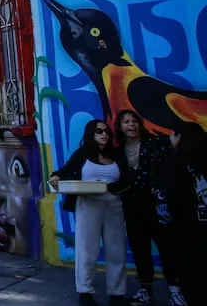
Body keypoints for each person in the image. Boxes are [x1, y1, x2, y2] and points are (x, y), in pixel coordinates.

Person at [50, 120, 129, 306]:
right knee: (87, 250)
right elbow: (65, 170)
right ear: (91, 134)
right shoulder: (83, 154)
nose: (104, 134)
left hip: (113, 204)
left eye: (106, 131)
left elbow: (126, 179)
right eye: (99, 131)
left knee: (116, 250)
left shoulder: (116, 154)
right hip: (88, 203)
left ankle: (117, 294)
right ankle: (85, 292)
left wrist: (111, 187)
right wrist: (55, 176)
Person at [113, 110, 180, 305]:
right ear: (120, 127)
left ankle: (175, 291)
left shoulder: (154, 143)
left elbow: (171, 156)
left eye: (134, 121)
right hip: (132, 207)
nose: (131, 125)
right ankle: (146, 290)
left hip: (156, 206)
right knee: (140, 249)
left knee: (166, 248)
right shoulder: (118, 151)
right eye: (126, 122)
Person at [157, 123, 206, 306]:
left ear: (178, 137)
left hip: (188, 233)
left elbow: (170, 199)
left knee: (193, 281)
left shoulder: (175, 161)